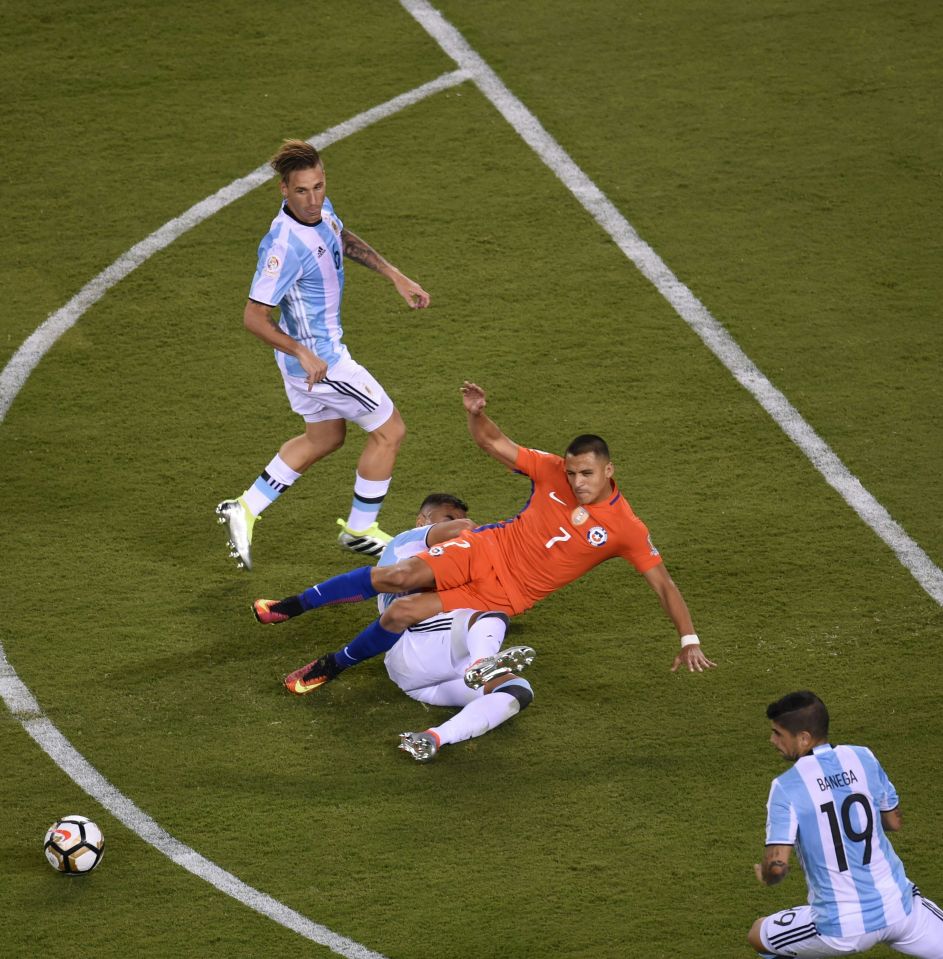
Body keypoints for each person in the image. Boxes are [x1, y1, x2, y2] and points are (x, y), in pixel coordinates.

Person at [254, 380, 715, 692]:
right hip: (486, 548)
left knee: (404, 614)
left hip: (505, 593)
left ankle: (330, 667)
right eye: (573, 472)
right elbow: (493, 443)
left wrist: (688, 638)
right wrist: (477, 414)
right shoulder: (552, 469)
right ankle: (288, 608)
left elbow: (663, 585)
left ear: (609, 470)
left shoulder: (626, 529)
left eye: (587, 473)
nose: (576, 481)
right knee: (397, 577)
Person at [216, 138, 430, 571]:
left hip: (309, 360)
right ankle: (360, 528)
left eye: (319, 186)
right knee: (391, 430)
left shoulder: (320, 211)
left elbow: (340, 236)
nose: (313, 200)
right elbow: (254, 318)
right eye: (302, 191)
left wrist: (394, 275)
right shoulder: (283, 246)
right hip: (321, 362)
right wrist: (304, 353)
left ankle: (245, 507)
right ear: (283, 190)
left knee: (325, 437)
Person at [342, 492, 536, 763]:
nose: (456, 527)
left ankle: (433, 737)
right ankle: (483, 662)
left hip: (430, 678)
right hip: (414, 644)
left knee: (518, 690)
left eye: (460, 521)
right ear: (423, 520)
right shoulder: (407, 544)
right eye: (448, 519)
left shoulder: (450, 559)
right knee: (488, 615)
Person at [749, 690, 943, 959]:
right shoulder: (864, 757)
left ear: (804, 738)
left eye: (778, 734)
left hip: (843, 929)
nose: (772, 740)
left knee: (758, 935)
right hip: (901, 908)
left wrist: (766, 874)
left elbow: (777, 867)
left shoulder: (785, 787)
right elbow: (894, 821)